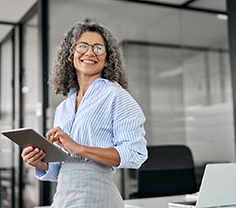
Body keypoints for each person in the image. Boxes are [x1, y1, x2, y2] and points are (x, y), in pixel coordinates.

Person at [21, 21, 148, 207]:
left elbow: (135, 154)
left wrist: (79, 148)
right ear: (71, 54)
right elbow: (62, 167)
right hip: (63, 199)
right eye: (82, 46)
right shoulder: (63, 108)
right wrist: (40, 163)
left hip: (98, 198)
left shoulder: (116, 96)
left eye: (98, 48)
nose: (89, 53)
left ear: (107, 60)